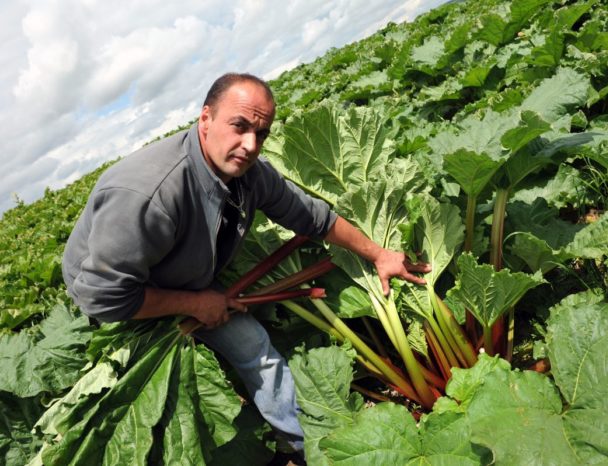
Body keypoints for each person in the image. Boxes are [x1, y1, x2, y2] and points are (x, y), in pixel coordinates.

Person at [62, 72, 430, 454]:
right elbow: (103, 296)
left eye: (262, 132)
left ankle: (312, 450)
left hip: (184, 275)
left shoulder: (248, 173)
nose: (250, 144)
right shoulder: (148, 194)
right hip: (117, 296)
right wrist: (195, 304)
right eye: (239, 126)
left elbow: (312, 217)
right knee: (161, 408)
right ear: (205, 118)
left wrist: (379, 254)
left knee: (254, 347)